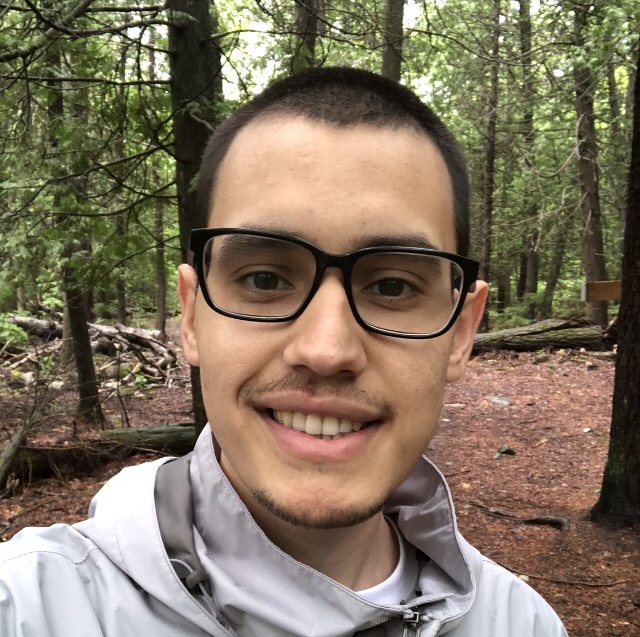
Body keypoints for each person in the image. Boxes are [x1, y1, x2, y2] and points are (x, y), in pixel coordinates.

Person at [0, 67, 568, 637]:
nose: (326, 350)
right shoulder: (31, 607)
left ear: (462, 332)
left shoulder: (523, 624)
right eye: (266, 279)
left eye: (392, 286)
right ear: (192, 316)